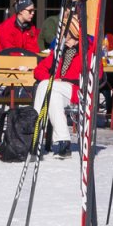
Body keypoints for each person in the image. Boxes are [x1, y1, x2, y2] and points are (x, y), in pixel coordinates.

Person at [33, 16, 84, 156]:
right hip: (58, 89)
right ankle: (64, 142)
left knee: (44, 86)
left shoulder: (86, 50)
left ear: (72, 32)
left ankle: (35, 134)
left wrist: (63, 80)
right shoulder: (59, 50)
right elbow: (38, 70)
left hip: (77, 91)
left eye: (63, 30)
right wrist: (55, 81)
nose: (60, 32)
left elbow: (97, 74)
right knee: (53, 96)